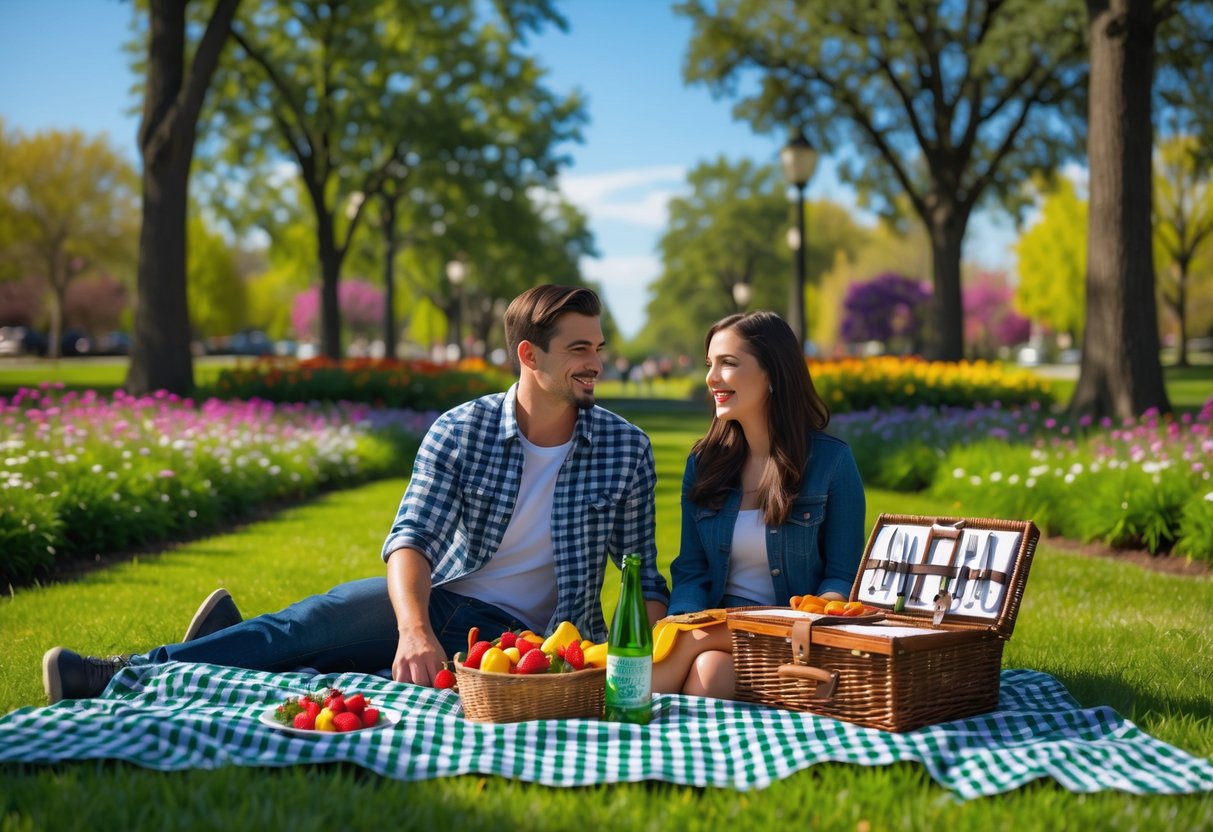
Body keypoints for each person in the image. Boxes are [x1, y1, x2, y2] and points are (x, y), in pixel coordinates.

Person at [43, 284, 670, 703]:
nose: (595, 363)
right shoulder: (460, 431)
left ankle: (230, 641)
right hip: (447, 603)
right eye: (579, 349)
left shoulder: (626, 448)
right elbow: (412, 538)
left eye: (599, 348)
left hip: (537, 649)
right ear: (529, 355)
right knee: (314, 623)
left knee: (338, 671)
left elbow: (642, 580)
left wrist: (637, 671)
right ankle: (120, 674)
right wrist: (415, 628)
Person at [651, 311, 865, 700]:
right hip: (716, 629)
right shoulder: (703, 464)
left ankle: (610, 704)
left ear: (772, 374)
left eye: (728, 363)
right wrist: (681, 620)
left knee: (686, 649)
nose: (711, 378)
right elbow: (692, 571)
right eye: (709, 365)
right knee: (708, 673)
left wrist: (812, 616)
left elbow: (842, 576)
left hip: (792, 630)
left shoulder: (831, 463)